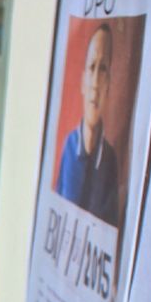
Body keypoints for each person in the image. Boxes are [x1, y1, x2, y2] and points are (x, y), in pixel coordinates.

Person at [56, 22, 121, 227]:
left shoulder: (111, 163)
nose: (95, 82)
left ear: (108, 83)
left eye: (102, 69)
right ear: (83, 80)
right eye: (92, 67)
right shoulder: (69, 145)